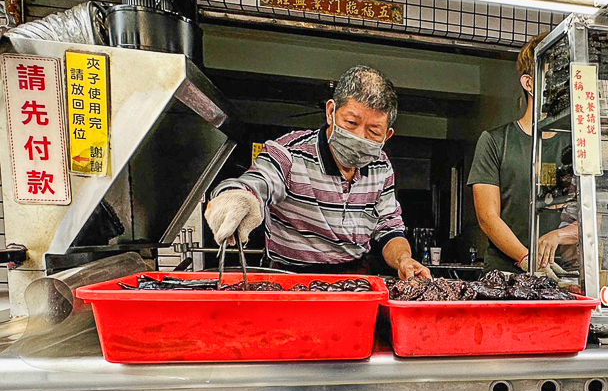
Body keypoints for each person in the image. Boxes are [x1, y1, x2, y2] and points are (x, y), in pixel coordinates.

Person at [205, 65, 430, 280]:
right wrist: (237, 197)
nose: (360, 137)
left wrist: (404, 260)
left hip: (355, 280)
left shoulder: (381, 166)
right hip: (290, 279)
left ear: (387, 136)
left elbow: (389, 227)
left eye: (373, 131)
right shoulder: (290, 154)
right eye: (351, 123)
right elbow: (257, 181)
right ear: (331, 111)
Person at [468, 31, 575, 273]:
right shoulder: (495, 141)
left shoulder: (574, 147)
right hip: (504, 276)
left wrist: (560, 235)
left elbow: (592, 217)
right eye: (555, 75)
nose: (563, 85)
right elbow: (488, 218)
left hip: (563, 276)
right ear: (529, 84)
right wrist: (527, 258)